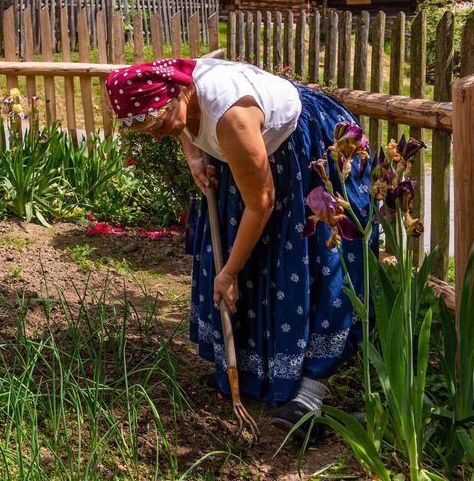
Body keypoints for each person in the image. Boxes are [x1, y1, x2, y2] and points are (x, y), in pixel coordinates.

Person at [105, 57, 372, 432]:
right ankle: (255, 374)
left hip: (306, 148)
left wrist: (228, 273)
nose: (158, 134)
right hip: (253, 155)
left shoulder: (232, 117)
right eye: (148, 130)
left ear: (180, 94)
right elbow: (182, 124)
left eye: (160, 123)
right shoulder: (182, 93)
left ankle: (310, 390)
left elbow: (261, 201)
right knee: (259, 260)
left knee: (306, 263)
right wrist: (194, 155)